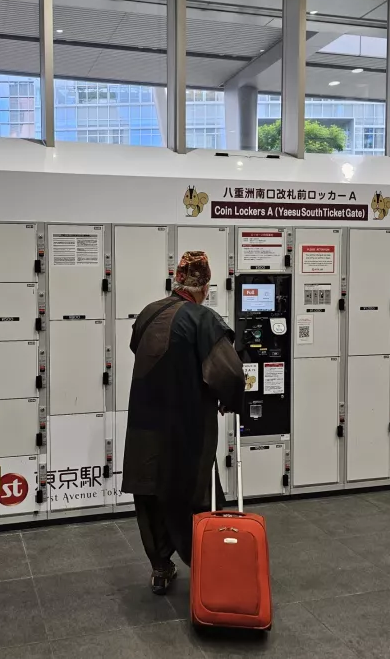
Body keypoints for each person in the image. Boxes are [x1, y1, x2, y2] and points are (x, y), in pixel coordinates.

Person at [122, 250, 245, 595]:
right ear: (204, 287)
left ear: (177, 282)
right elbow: (230, 374)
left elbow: (138, 347)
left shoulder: (148, 313)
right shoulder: (203, 319)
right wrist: (229, 401)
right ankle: (208, 565)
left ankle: (161, 568)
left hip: (145, 427)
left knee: (150, 495)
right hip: (186, 428)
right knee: (197, 496)